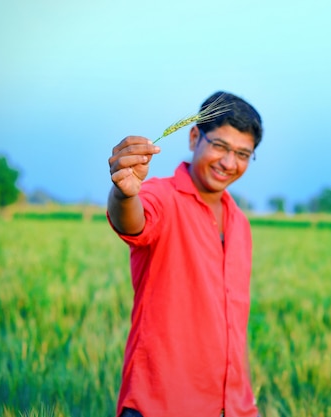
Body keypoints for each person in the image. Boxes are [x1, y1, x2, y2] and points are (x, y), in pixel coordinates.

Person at [107, 91, 263, 417]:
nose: (229, 163)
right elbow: (132, 221)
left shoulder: (240, 224)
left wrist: (244, 405)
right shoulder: (161, 196)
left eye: (243, 154)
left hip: (231, 407)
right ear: (195, 137)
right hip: (160, 405)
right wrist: (123, 193)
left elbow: (234, 329)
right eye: (220, 146)